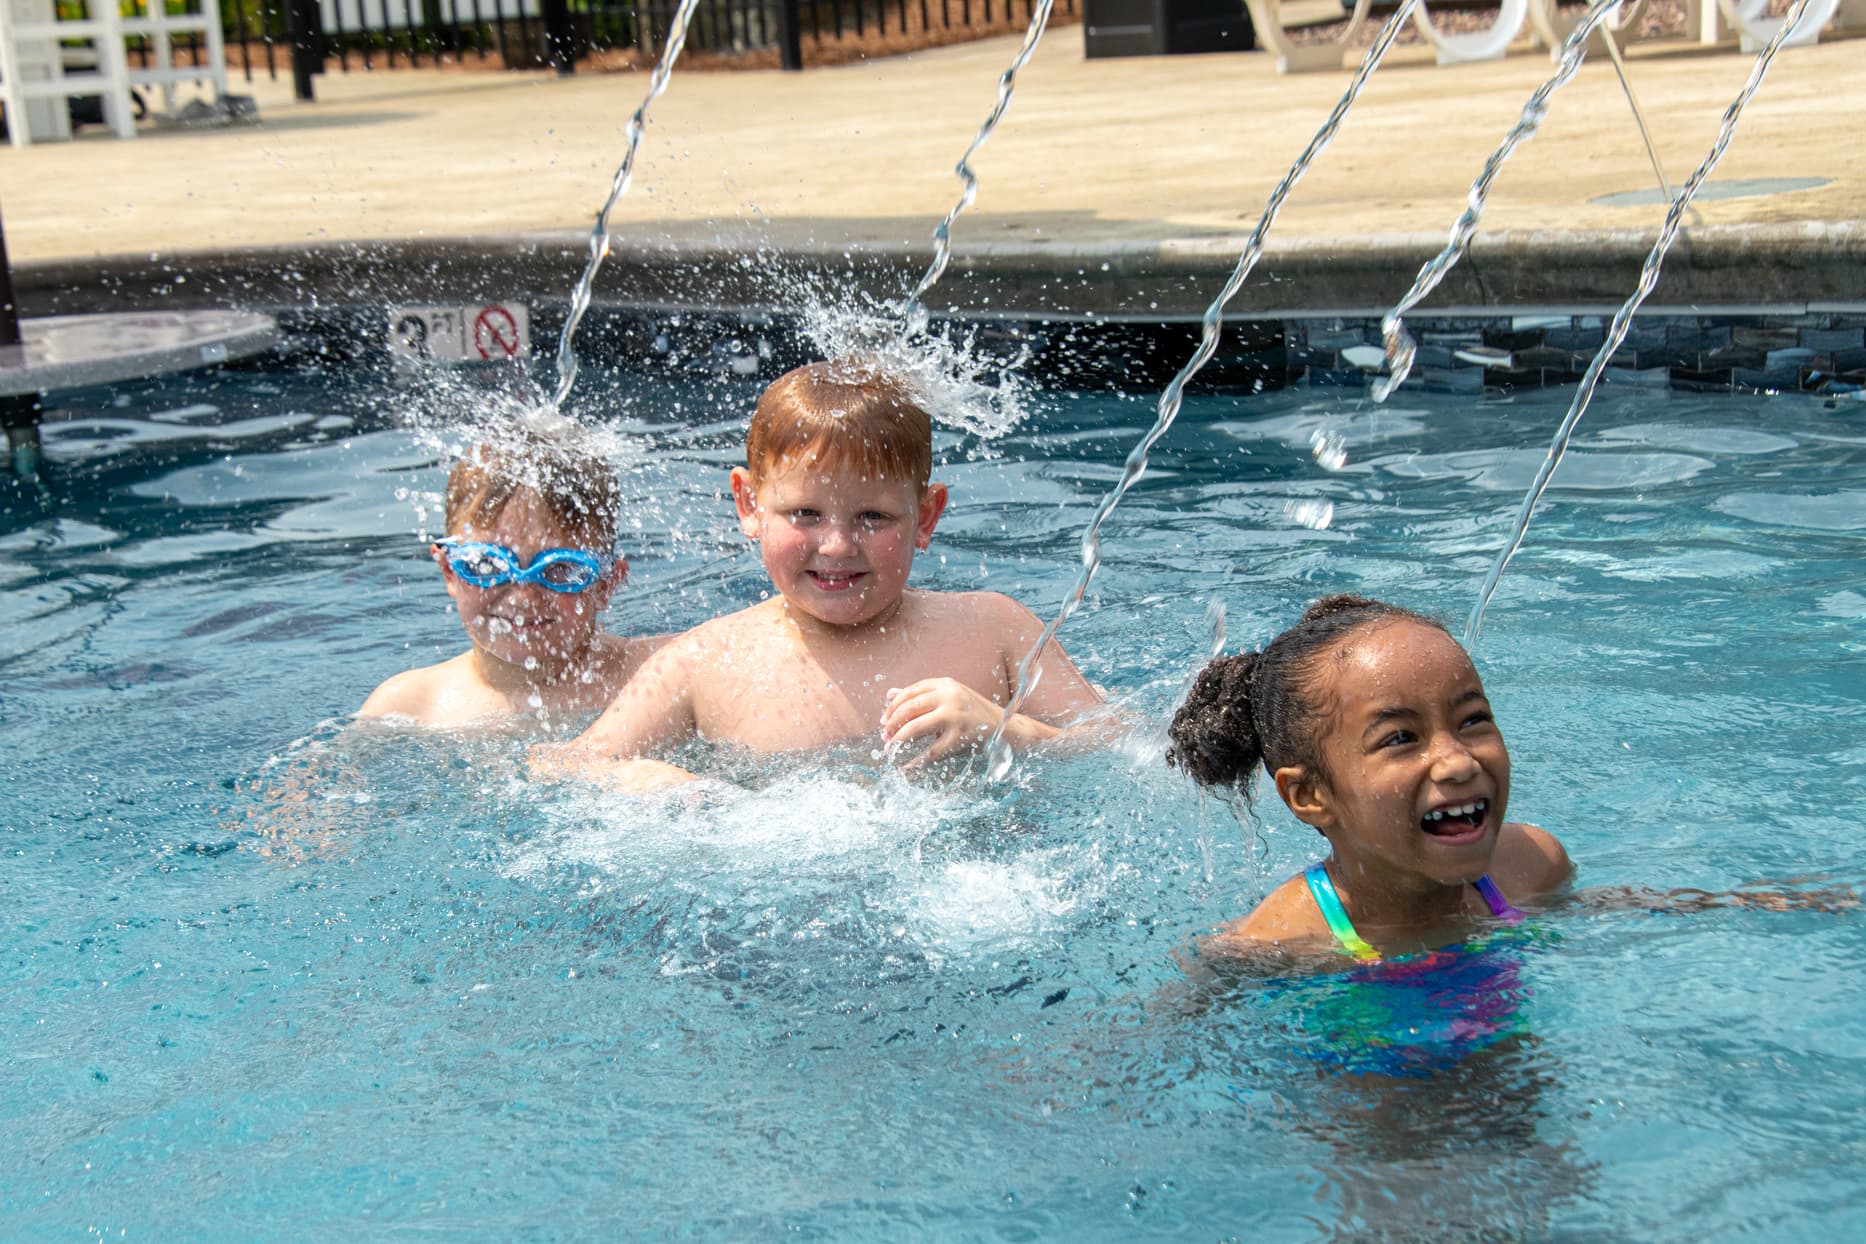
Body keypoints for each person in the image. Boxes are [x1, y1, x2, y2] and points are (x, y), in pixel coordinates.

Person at [536, 359, 1104, 789]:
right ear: (749, 505)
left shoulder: (993, 630)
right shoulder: (704, 664)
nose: (837, 545)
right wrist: (647, 783)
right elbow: (560, 766)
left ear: (926, 516)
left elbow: (1123, 747)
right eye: (804, 514)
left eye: (873, 517)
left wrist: (1006, 728)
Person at [1168, 594, 1571, 963]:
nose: (1458, 762)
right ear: (1310, 794)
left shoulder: (1531, 870)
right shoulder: (1283, 943)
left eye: (1473, 720)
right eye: (1400, 738)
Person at [358, 426, 660, 729]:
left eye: (560, 569)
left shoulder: (654, 675)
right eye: (488, 565)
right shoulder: (409, 706)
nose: (523, 596)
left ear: (606, 583)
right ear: (449, 570)